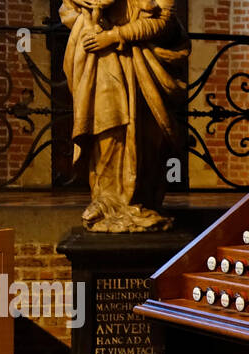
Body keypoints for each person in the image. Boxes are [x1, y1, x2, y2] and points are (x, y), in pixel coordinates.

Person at [58, 0, 189, 232]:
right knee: (107, 126)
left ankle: (140, 200)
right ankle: (107, 200)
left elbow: (164, 22)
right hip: (103, 61)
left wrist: (115, 36)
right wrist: (91, 17)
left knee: (146, 138)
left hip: (144, 64)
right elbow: (68, 10)